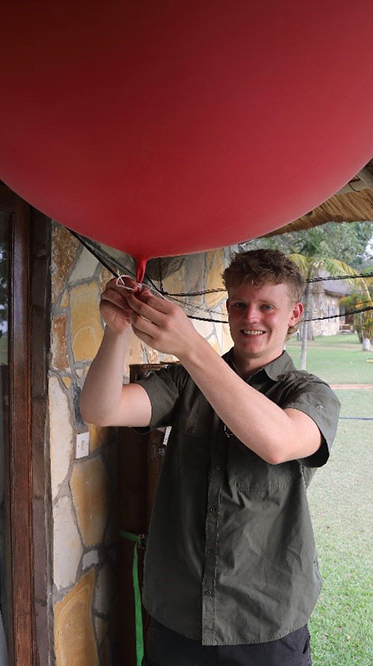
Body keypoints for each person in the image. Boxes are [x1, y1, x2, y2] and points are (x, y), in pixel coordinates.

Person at [79, 249, 340, 666]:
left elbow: (276, 442)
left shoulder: (309, 393)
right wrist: (116, 332)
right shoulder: (186, 380)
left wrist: (191, 348)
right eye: (240, 304)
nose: (250, 317)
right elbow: (100, 409)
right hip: (177, 614)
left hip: (264, 617)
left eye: (267, 306)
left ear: (294, 315)